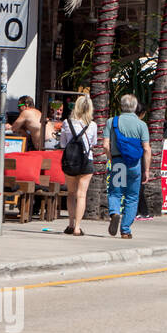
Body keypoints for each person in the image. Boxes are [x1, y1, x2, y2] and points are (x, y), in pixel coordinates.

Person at [106, 94, 150, 240]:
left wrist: (111, 159)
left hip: (118, 162)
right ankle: (125, 230)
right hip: (134, 164)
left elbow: (106, 145)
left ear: (121, 106)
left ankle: (114, 213)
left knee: (115, 193)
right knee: (132, 196)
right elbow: (147, 149)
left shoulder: (112, 122)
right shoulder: (141, 125)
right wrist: (147, 170)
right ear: (135, 107)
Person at [59, 94, 98, 236]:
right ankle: (78, 227)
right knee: (82, 195)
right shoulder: (92, 125)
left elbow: (63, 143)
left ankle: (70, 223)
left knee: (71, 193)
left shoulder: (67, 123)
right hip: (86, 161)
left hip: (70, 161)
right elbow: (93, 143)